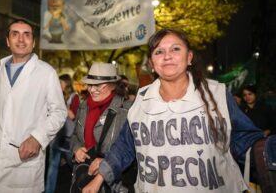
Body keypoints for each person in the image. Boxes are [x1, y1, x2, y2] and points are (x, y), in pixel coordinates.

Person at [82, 28, 264, 193]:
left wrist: (266, 152)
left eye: (175, 49)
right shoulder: (141, 100)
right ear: (152, 63)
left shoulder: (217, 95)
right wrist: (100, 177)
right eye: (159, 51)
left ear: (189, 57)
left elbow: (247, 141)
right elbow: (125, 145)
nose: (167, 56)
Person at [0, 19, 67, 193]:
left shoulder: (46, 72)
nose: (21, 39)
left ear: (33, 43)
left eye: (27, 35)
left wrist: (37, 138)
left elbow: (59, 112)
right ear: (8, 41)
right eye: (15, 34)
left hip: (22, 161)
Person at [70, 63, 133, 192]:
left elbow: (130, 148)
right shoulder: (83, 106)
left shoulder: (126, 110)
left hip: (113, 184)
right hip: (84, 174)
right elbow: (75, 135)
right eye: (89, 84)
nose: (91, 90)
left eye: (97, 85)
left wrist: (107, 163)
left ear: (112, 86)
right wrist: (76, 149)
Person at [45, 74, 80, 193]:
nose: (58, 85)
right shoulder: (55, 95)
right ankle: (49, 190)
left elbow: (73, 115)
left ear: (67, 83)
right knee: (53, 166)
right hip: (57, 135)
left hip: (69, 137)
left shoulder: (74, 97)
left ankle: (76, 188)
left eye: (61, 82)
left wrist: (61, 105)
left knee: (73, 164)